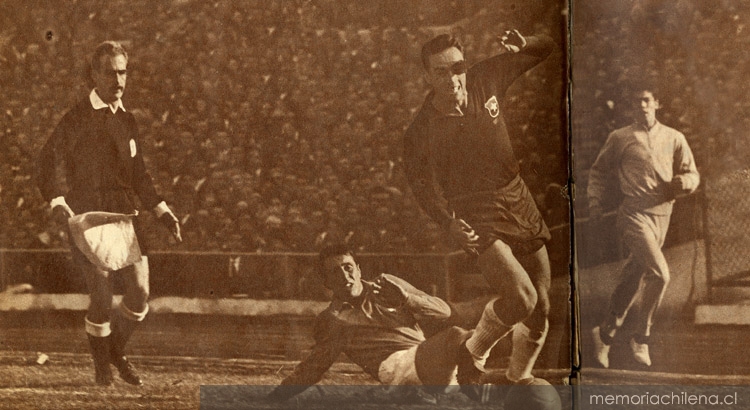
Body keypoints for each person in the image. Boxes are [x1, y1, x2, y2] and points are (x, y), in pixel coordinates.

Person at [402, 29, 556, 385]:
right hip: (474, 212)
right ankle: (471, 355)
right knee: (521, 298)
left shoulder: (486, 77)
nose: (452, 77)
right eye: (441, 71)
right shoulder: (420, 131)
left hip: (517, 195)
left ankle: (519, 380)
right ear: (427, 77)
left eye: (457, 67)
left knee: (542, 306)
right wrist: (447, 222)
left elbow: (546, 48)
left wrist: (526, 44)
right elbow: (422, 187)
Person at [35, 41, 182, 386]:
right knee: (101, 296)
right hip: (88, 217)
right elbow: (46, 163)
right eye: (110, 71)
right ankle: (103, 368)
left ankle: (113, 351)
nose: (118, 79)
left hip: (125, 216)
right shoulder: (76, 118)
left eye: (122, 71)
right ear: (94, 75)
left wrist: (162, 211)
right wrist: (57, 201)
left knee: (140, 293)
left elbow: (140, 175)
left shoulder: (128, 119)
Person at [267, 244, 497, 403]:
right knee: (457, 335)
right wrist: (277, 396)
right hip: (395, 367)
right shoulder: (331, 318)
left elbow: (445, 312)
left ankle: (473, 385)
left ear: (358, 269)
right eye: (334, 272)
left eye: (347, 267)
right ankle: (466, 387)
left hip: (432, 359)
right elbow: (315, 365)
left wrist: (407, 299)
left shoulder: (387, 285)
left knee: (489, 351)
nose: (344, 275)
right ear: (326, 281)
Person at [587, 85, 700, 368]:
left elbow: (692, 173)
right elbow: (599, 171)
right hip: (632, 215)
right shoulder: (620, 138)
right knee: (660, 274)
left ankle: (605, 334)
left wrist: (686, 183)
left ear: (656, 103)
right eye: (636, 102)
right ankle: (641, 336)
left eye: (646, 100)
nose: (642, 106)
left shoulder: (675, 137)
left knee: (630, 280)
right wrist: (595, 202)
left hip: (663, 214)